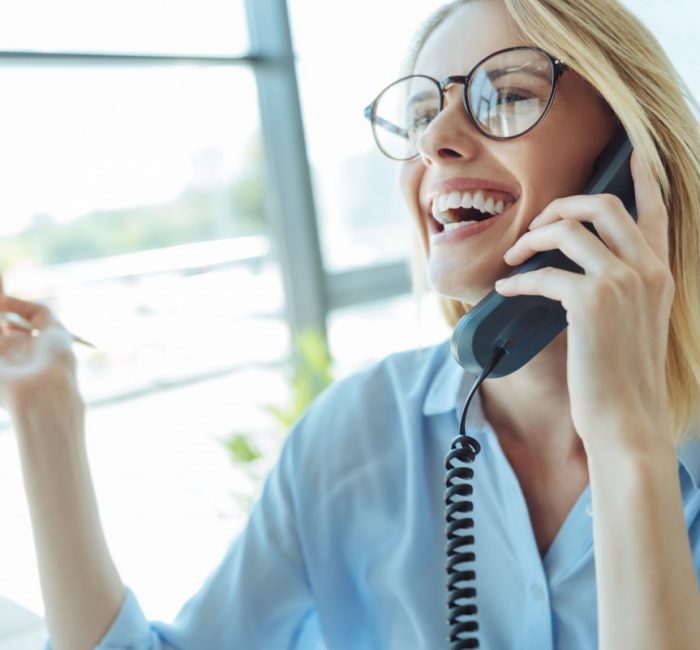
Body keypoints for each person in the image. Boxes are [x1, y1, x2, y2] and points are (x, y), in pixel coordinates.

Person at [4, 0, 700, 648]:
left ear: (631, 162)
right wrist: (45, 417)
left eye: (507, 95)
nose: (435, 140)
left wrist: (629, 448)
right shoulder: (354, 435)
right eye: (422, 112)